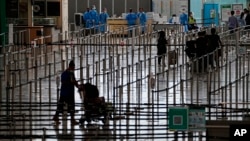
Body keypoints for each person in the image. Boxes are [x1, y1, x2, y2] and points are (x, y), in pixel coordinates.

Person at [53, 60, 79, 125]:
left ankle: (71, 119)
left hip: (70, 92)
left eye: (74, 68)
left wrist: (78, 86)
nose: (73, 69)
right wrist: (71, 82)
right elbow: (63, 82)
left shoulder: (71, 73)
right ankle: (57, 117)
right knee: (61, 105)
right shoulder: (64, 73)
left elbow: (74, 81)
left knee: (71, 106)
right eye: (73, 68)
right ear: (70, 67)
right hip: (65, 93)